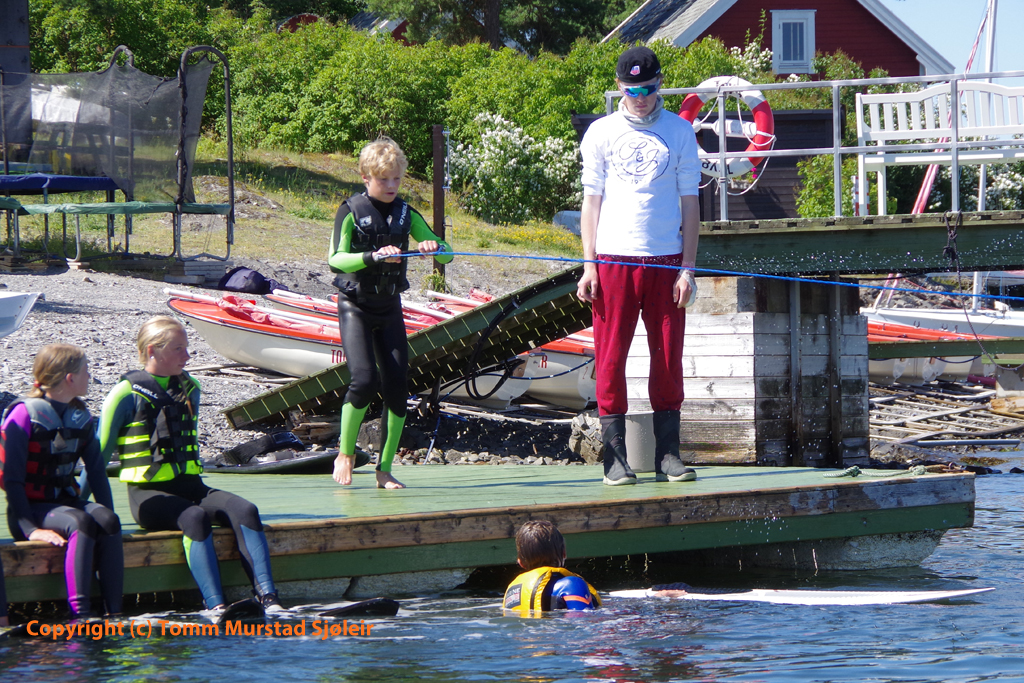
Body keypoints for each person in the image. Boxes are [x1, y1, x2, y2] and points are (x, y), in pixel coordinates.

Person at [577, 45, 701, 486]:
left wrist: (688, 268)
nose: (641, 97)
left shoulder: (680, 131)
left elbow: (691, 203)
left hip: (666, 260)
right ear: (619, 87)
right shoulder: (600, 132)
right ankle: (614, 459)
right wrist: (588, 265)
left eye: (648, 88)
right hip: (613, 259)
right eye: (632, 90)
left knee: (667, 358)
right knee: (611, 359)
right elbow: (591, 202)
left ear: (660, 83)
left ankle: (669, 454)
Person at [98, 316, 282, 613]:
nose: (188, 356)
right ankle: (216, 607)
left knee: (245, 509)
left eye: (187, 347)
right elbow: (98, 456)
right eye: (178, 349)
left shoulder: (190, 388)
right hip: (148, 496)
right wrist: (82, 505)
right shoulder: (125, 393)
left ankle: (270, 601)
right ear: (152, 350)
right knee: (194, 517)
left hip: (192, 486)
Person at [328, 137, 453, 489]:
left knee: (398, 387)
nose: (392, 186)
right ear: (366, 177)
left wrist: (433, 246)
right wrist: (373, 256)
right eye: (384, 179)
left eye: (397, 179)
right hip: (355, 306)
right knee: (365, 380)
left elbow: (447, 254)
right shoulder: (350, 211)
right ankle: (345, 454)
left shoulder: (406, 214)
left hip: (389, 307)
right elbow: (335, 260)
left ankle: (384, 470)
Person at [0, 344, 123, 618]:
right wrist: (31, 530)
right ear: (70, 378)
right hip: (29, 512)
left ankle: (115, 615)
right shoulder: (23, 415)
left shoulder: (81, 416)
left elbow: (97, 472)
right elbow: (12, 480)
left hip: (64, 502)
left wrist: (108, 517)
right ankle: (80, 616)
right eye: (86, 371)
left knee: (108, 520)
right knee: (81, 522)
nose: (90, 376)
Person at [503, 520, 601, 614]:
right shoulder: (572, 584)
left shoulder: (512, 594)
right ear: (564, 554)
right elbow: (583, 619)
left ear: (520, 562)